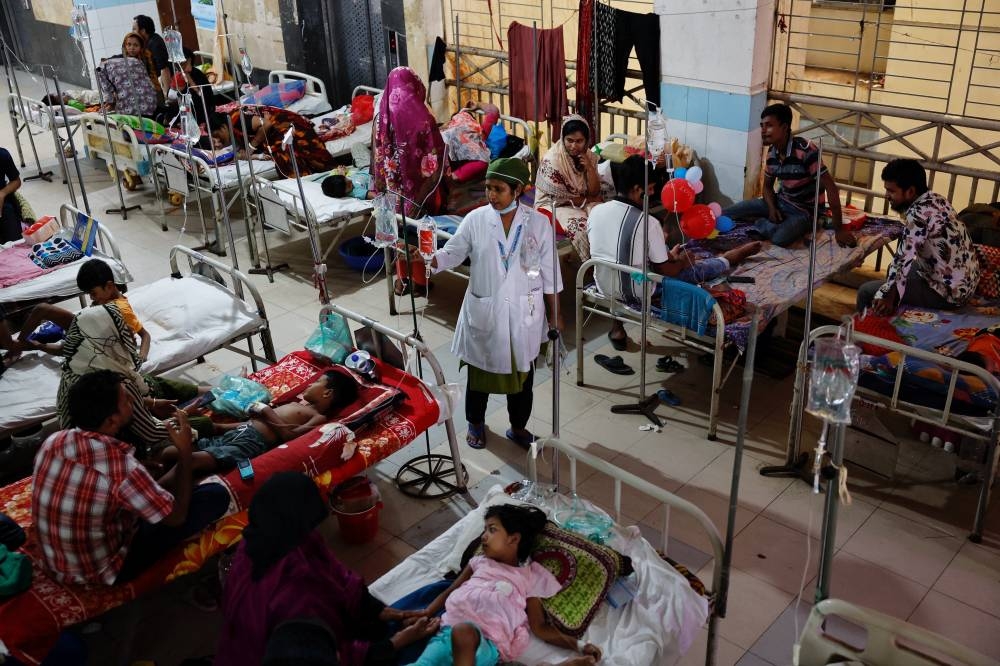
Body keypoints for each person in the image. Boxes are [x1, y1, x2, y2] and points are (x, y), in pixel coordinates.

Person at [216, 472, 440, 666]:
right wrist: (399, 641)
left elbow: (336, 573)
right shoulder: (292, 600)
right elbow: (328, 659)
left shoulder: (266, 539)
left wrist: (380, 610)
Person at [31, 369, 229, 585]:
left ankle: (171, 481)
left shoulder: (54, 442)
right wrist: (185, 452)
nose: (133, 401)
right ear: (111, 420)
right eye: (127, 400)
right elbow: (176, 518)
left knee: (157, 475)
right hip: (100, 571)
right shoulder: (121, 467)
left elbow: (96, 473)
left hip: (54, 561)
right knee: (215, 495)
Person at [431, 158, 562, 450]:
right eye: (488, 187)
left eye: (498, 189)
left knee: (523, 380)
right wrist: (430, 260)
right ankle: (476, 423)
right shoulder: (476, 220)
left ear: (517, 190)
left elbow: (551, 276)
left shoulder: (538, 224)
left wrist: (556, 316)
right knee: (479, 377)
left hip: (524, 313)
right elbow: (452, 252)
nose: (491, 195)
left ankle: (518, 427)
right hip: (486, 312)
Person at [589, 156, 761, 349]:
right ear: (638, 189)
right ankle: (727, 259)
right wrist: (681, 262)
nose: (653, 193)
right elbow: (667, 271)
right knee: (692, 268)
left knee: (635, 269)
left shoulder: (596, 211)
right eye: (652, 188)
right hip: (639, 292)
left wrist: (666, 256)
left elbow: (615, 250)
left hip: (604, 284)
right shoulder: (648, 222)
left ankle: (617, 329)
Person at [408, 504, 602, 666]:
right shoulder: (478, 562)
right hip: (446, 637)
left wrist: (579, 646)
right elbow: (451, 590)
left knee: (464, 632)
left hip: (485, 645)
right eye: (484, 529)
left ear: (514, 539)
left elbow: (540, 627)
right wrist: (426, 612)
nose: (484, 536)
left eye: (492, 529)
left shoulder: (528, 577)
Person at [156, 370, 358, 482]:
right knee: (168, 453)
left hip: (250, 444)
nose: (309, 384)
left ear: (327, 393)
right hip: (239, 433)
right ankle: (161, 482)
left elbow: (289, 436)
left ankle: (156, 495)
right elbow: (253, 424)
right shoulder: (298, 405)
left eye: (317, 383)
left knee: (191, 461)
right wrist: (219, 426)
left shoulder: (318, 417)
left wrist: (266, 411)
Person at [723, 103, 856, 249]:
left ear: (784, 128)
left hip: (804, 212)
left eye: (769, 125)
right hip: (781, 203)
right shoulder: (772, 153)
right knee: (729, 212)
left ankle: (759, 223)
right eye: (762, 126)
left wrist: (839, 230)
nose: (763, 131)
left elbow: (831, 187)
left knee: (780, 238)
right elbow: (767, 187)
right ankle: (765, 221)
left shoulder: (806, 150)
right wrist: (772, 208)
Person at [856, 158, 981, 314]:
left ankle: (864, 333)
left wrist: (887, 296)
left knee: (866, 292)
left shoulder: (917, 217)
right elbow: (902, 260)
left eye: (891, 191)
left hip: (950, 294)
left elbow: (903, 258)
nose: (886, 195)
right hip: (966, 283)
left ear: (910, 191)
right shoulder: (937, 199)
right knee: (892, 271)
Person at [15, 258, 151, 362]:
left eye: (93, 293)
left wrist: (142, 356)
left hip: (92, 336)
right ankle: (16, 345)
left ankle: (36, 346)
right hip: (82, 325)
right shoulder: (104, 299)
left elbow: (145, 335)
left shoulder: (122, 311)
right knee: (41, 309)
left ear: (109, 286)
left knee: (68, 349)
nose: (92, 298)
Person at [535, 115, 607, 261]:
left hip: (582, 200)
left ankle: (607, 261)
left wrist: (590, 169)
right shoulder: (552, 160)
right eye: (570, 140)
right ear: (563, 138)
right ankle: (590, 267)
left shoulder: (589, 156)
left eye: (579, 141)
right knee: (582, 228)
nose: (574, 146)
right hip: (553, 204)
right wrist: (591, 199)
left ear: (587, 141)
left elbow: (594, 191)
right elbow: (562, 198)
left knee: (603, 218)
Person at [212, 106, 337, 176]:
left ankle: (308, 179)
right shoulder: (233, 131)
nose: (218, 143)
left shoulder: (237, 119)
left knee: (285, 152)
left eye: (218, 137)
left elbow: (266, 124)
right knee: (278, 150)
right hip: (274, 134)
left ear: (223, 127)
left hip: (288, 125)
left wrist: (251, 147)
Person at [121, 31, 164, 107]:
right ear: (125, 46)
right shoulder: (121, 61)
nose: (132, 48)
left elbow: (155, 74)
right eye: (129, 44)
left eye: (136, 45)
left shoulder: (147, 57)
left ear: (141, 47)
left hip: (152, 92)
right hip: (132, 97)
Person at [175, 47, 216, 124]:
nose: (180, 67)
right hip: (188, 110)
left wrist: (190, 82)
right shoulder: (180, 75)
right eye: (179, 64)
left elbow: (202, 97)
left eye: (182, 63)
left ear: (189, 60)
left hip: (203, 111)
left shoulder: (197, 75)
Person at [133, 15, 170, 99]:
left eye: (134, 29)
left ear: (143, 31)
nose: (133, 32)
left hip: (163, 84)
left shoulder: (155, 43)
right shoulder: (146, 42)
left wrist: (166, 94)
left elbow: (164, 69)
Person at [0, 145, 23, 243]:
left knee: (15, 243)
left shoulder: (2, 155)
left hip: (4, 206)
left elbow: (16, 181)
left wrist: (2, 193)